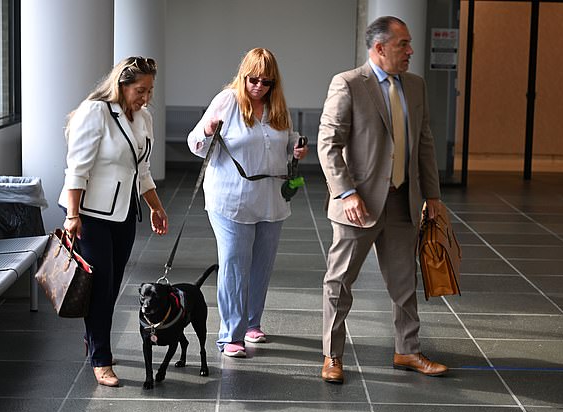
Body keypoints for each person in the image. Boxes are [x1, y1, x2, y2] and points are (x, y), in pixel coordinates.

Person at [317, 16, 448, 384]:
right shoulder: (348, 84)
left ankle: (407, 350)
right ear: (379, 48)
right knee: (339, 282)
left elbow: (424, 144)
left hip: (403, 201)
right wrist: (346, 192)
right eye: (403, 44)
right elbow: (328, 145)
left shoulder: (416, 86)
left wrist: (432, 195)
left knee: (404, 283)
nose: (410, 51)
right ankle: (332, 356)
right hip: (357, 205)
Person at [187, 48, 308, 358]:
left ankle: (252, 323)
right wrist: (208, 129)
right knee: (234, 266)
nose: (258, 87)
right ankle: (230, 335)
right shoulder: (227, 101)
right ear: (243, 77)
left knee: (261, 267)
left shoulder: (277, 107)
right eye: (253, 80)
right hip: (231, 200)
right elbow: (196, 144)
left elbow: (281, 142)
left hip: (271, 200)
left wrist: (295, 147)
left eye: (266, 82)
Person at [59, 56, 168, 387]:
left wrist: (155, 207)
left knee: (110, 285)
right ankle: (101, 358)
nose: (145, 97)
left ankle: (94, 342)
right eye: (140, 90)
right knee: (101, 287)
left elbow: (142, 170)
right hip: (90, 215)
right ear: (121, 84)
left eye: (150, 91)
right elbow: (77, 168)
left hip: (124, 214)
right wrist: (72, 214)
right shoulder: (96, 113)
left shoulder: (144, 118)